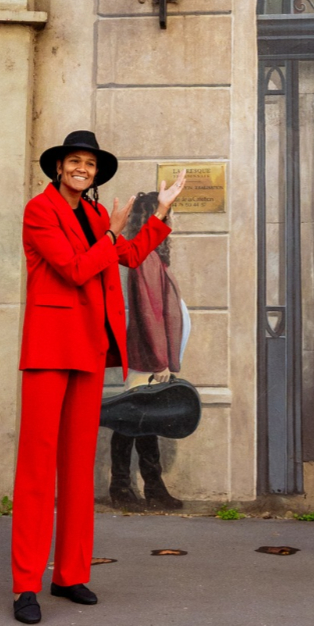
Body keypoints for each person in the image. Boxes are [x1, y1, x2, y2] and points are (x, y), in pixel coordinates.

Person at [13, 130, 186, 624]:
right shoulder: (39, 211)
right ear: (59, 167)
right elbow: (73, 269)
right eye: (74, 160)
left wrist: (160, 213)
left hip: (89, 348)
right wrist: (111, 234)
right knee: (37, 469)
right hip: (49, 349)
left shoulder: (93, 216)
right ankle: (26, 585)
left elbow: (127, 255)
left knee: (77, 466)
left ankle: (69, 574)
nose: (82, 168)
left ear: (94, 173)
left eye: (89, 163)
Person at [108, 191, 189, 511]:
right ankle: (125, 487)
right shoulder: (146, 259)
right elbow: (149, 313)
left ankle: (149, 487)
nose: (172, 219)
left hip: (148, 355)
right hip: (146, 356)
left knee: (141, 419)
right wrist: (159, 361)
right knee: (131, 420)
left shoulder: (151, 256)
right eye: (168, 213)